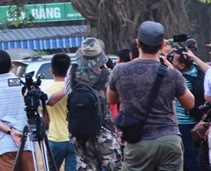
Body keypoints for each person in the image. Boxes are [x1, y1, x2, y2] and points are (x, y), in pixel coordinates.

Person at [108, 21, 194, 171]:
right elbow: (190, 103)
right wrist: (174, 72)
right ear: (161, 46)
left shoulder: (120, 70)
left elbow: (111, 99)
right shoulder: (171, 73)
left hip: (138, 142)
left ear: (138, 43)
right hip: (168, 140)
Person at [65, 38, 121, 171]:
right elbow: (115, 99)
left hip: (80, 131)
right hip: (105, 130)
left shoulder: (72, 72)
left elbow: (68, 93)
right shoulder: (108, 75)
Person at [0, 50, 33, 171]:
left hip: (4, 146)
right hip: (26, 143)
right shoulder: (23, 84)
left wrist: (10, 131)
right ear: (11, 63)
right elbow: (48, 99)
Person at [170, 48, 208, 171]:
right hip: (199, 120)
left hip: (184, 122)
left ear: (182, 66)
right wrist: (193, 57)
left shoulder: (182, 79)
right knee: (200, 154)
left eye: (174, 61)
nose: (171, 62)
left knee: (188, 155)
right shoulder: (196, 70)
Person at [43, 53, 75, 171]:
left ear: (51, 71)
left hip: (55, 138)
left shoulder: (45, 91)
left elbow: (45, 117)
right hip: (74, 137)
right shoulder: (75, 88)